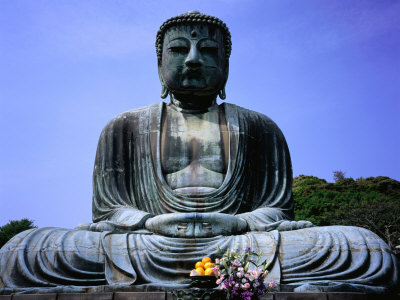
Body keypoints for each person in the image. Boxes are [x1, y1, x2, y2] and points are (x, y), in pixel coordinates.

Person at [0, 11, 398, 294]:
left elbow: (277, 209)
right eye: (179, 50)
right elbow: (108, 212)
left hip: (240, 244)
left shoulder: (259, 127)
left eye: (208, 51)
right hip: (145, 244)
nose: (193, 59)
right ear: (160, 65)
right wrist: (149, 224)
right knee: (24, 250)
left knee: (365, 248)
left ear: (226, 65)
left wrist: (237, 225)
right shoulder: (123, 126)